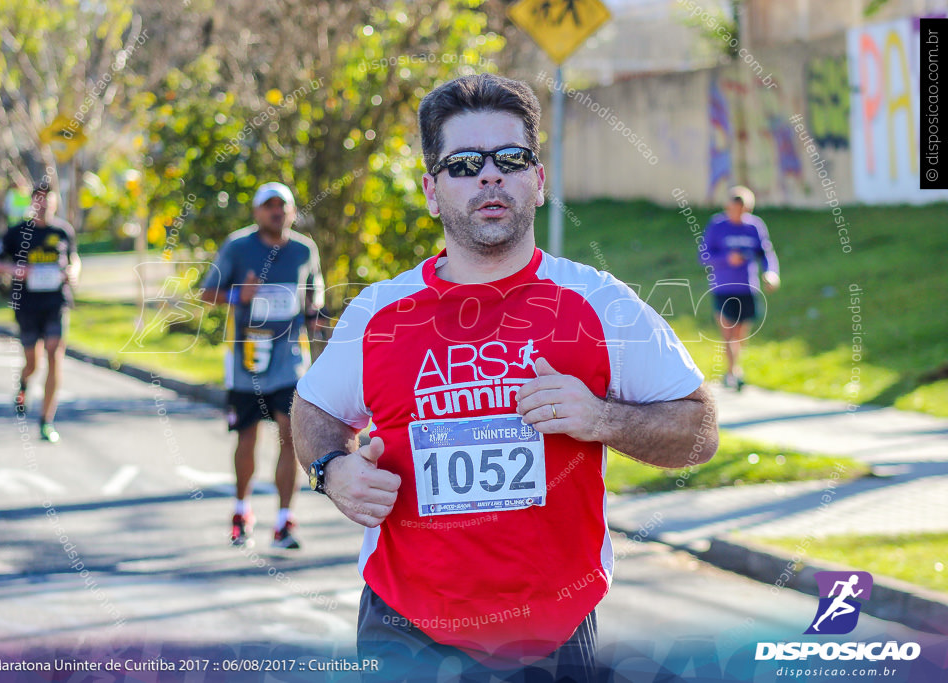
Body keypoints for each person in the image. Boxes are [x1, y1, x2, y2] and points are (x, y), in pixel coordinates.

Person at [291, 74, 718, 680]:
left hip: (551, 633)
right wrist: (331, 471)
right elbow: (313, 411)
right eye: (463, 163)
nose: (489, 176)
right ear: (432, 192)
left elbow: (700, 431)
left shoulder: (600, 304)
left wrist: (600, 418)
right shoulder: (379, 312)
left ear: (538, 182)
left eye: (511, 159)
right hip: (406, 627)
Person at [200, 182, 324, 548]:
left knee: (290, 435)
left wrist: (314, 311)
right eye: (268, 206)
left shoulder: (304, 249)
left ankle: (285, 521)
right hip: (247, 360)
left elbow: (313, 292)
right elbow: (208, 293)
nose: (276, 212)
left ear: (292, 212)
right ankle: (242, 511)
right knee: (248, 436)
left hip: (289, 361)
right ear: (256, 212)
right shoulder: (238, 246)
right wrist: (240, 294)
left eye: (282, 206)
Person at [0, 184, 80, 443]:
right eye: (38, 201)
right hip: (27, 305)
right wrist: (17, 270)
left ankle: (46, 420)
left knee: (54, 353)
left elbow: (74, 259)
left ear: (55, 202)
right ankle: (23, 385)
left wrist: (74, 272)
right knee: (33, 362)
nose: (43, 205)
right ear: (32, 203)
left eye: (47, 200)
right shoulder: (17, 232)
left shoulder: (63, 231)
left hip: (56, 303)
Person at [700, 186, 780, 391]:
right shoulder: (717, 225)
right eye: (735, 208)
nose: (738, 214)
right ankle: (733, 372)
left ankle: (735, 368)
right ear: (728, 206)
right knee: (727, 332)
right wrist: (727, 259)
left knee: (741, 334)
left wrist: (771, 273)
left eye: (744, 210)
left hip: (748, 287)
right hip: (723, 287)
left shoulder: (755, 227)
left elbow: (766, 253)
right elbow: (704, 256)